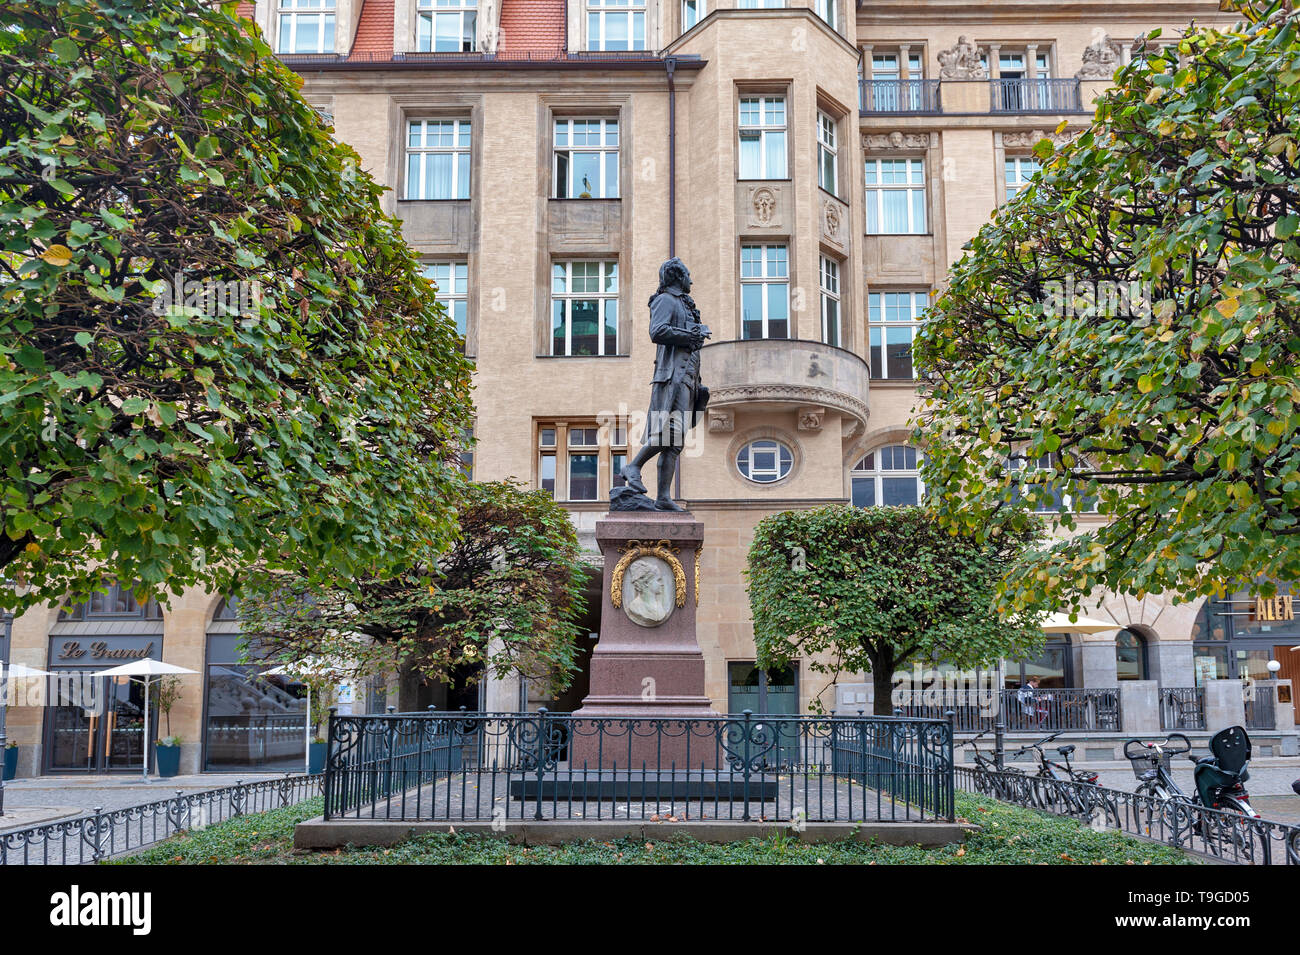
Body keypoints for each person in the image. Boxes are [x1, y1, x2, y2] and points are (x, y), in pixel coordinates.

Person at [620, 257, 710, 511]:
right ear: (678, 277)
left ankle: (662, 497)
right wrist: (691, 335)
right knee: (671, 430)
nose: (691, 280)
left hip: (690, 379)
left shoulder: (685, 304)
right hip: (673, 378)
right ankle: (634, 465)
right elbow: (657, 331)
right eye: (688, 275)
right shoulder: (665, 300)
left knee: (676, 441)